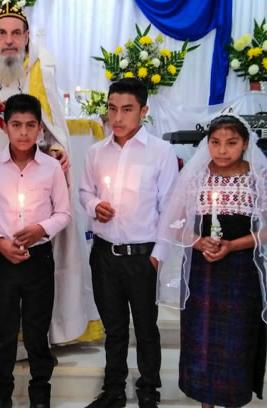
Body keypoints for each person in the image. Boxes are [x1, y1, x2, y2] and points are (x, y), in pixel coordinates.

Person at [0, 0, 101, 366]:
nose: (9, 40)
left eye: (16, 33)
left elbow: (54, 128)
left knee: (35, 274)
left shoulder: (39, 73)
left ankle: (40, 341)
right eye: (2, 33)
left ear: (27, 37)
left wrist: (59, 151)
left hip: (34, 189)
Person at [156, 113, 267, 408]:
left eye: (231, 143)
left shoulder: (258, 177)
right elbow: (173, 223)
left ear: (245, 143)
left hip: (241, 270)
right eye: (215, 142)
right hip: (201, 272)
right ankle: (205, 403)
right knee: (202, 338)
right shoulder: (195, 176)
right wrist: (198, 241)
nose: (222, 150)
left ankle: (232, 399)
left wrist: (233, 245)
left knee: (237, 338)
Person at [79, 78, 178, 408]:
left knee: (146, 326)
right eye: (112, 109)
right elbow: (85, 191)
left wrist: (158, 256)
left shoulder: (161, 153)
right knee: (114, 327)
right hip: (105, 253)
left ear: (143, 111)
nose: (117, 117)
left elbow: (170, 208)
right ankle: (114, 389)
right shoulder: (96, 153)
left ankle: (149, 388)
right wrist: (95, 205)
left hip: (143, 255)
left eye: (127, 109)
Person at [0, 94, 71, 408]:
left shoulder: (51, 168)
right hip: (2, 258)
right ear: (5, 126)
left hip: (38, 258)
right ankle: (1, 393)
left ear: (40, 128)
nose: (23, 132)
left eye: (30, 125)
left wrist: (41, 229)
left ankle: (40, 393)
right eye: (16, 125)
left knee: (38, 328)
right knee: (3, 329)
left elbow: (64, 213)